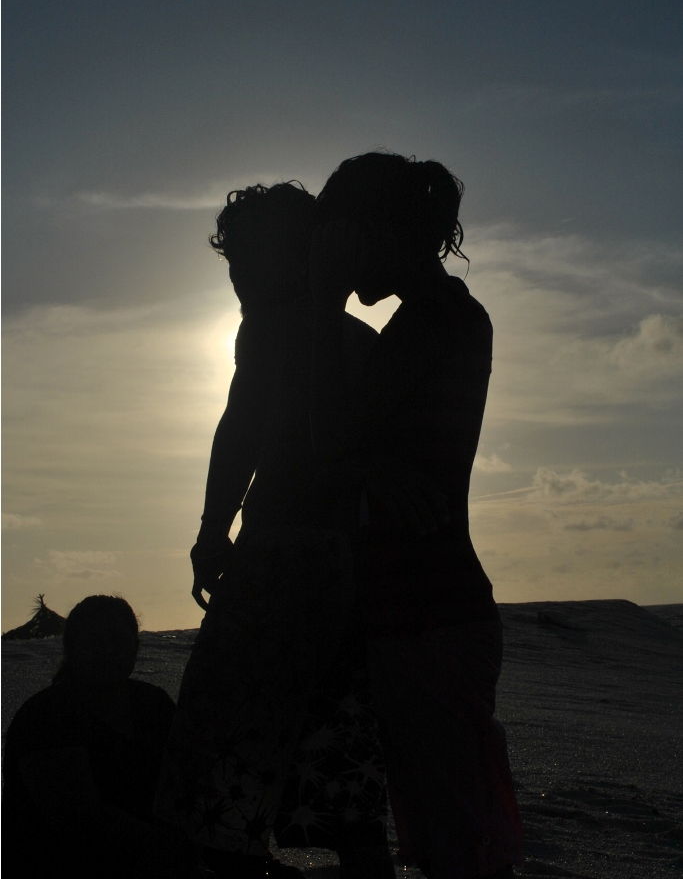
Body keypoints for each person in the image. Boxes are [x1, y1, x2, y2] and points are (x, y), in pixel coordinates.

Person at [155, 183, 392, 879]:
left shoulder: (271, 328)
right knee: (340, 772)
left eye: (246, 264)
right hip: (351, 569)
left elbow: (242, 431)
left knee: (220, 762)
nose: (238, 282)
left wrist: (209, 532)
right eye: (234, 267)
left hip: (284, 555)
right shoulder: (362, 339)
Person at [309, 152, 525, 879]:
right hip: (426, 609)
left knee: (450, 844)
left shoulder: (434, 318)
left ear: (372, 230)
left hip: (429, 612)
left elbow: (338, 441)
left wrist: (319, 294)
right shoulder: (433, 317)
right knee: (446, 834)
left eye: (339, 233)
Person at [2, 595, 203, 879]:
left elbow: (190, 779)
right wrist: (177, 851)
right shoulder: (46, 716)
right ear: (72, 649)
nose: (107, 651)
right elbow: (81, 822)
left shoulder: (152, 704)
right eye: (95, 642)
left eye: (118, 642)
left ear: (135, 647)